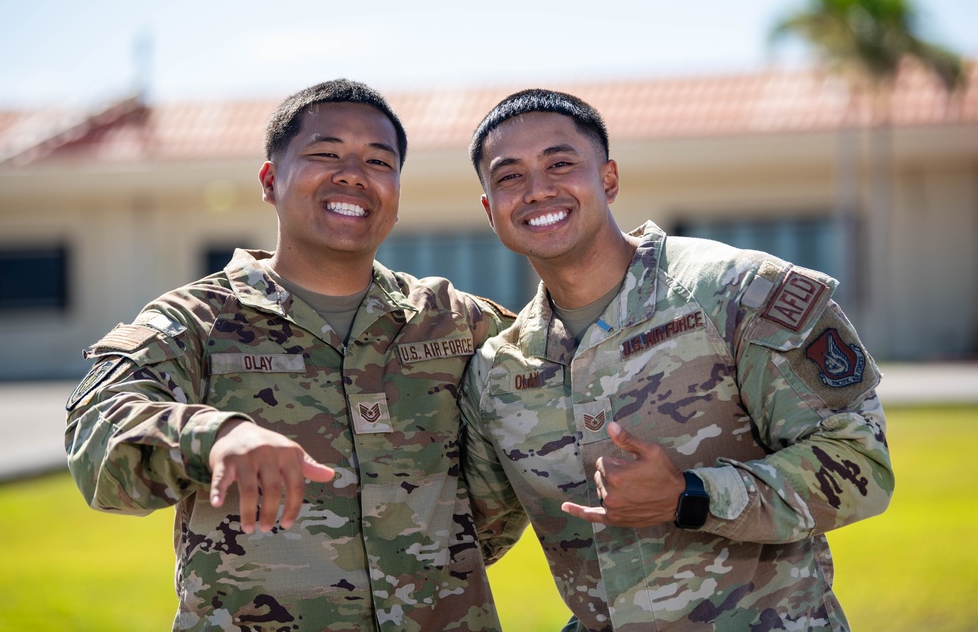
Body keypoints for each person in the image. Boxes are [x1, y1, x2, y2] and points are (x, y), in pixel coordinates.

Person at [65, 79, 515, 632]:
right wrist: (217, 436)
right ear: (270, 180)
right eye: (326, 154)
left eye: (379, 161)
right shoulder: (196, 321)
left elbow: (555, 385)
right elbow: (95, 444)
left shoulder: (453, 319)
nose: (353, 173)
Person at [460, 88, 894, 631]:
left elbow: (862, 466)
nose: (538, 190)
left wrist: (692, 495)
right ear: (489, 209)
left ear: (609, 178)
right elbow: (466, 536)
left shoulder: (738, 294)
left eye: (560, 164)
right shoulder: (499, 371)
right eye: (509, 177)